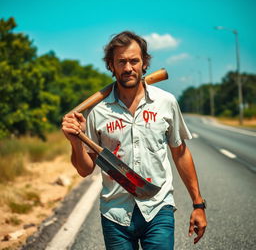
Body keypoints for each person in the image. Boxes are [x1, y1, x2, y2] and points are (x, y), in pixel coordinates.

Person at [62, 31, 207, 249]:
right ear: (111, 66)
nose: (128, 68)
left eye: (134, 61)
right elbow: (85, 170)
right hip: (115, 215)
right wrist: (75, 141)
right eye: (121, 62)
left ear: (144, 63)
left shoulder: (165, 102)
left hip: (158, 208)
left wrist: (198, 204)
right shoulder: (97, 112)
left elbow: (180, 152)